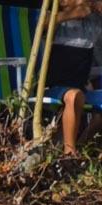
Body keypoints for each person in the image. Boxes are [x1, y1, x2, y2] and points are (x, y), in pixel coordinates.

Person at [49, 3, 101, 159]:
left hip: (81, 86)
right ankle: (69, 153)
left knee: (77, 94)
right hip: (53, 87)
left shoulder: (91, 24)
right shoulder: (57, 22)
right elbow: (42, 25)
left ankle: (81, 145)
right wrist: (70, 14)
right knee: (74, 96)